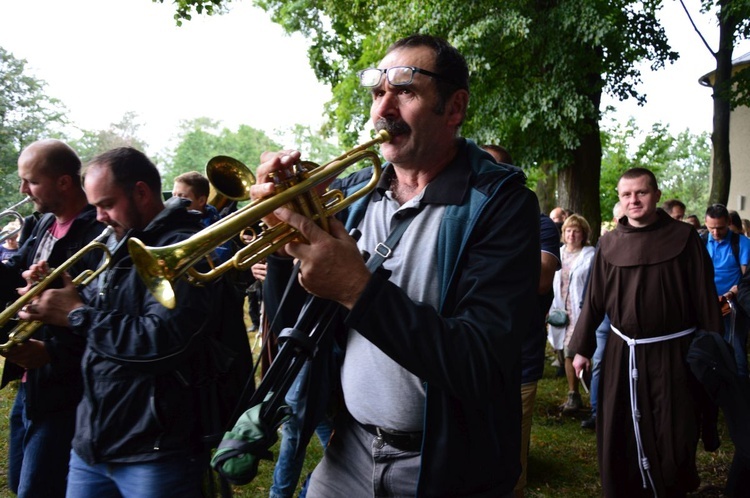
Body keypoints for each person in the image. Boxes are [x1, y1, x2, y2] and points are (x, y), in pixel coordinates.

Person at [254, 34, 540, 497]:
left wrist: (358, 289)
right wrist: (284, 237)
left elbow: (480, 363)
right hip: (349, 449)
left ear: (454, 108)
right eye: (377, 92)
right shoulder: (354, 195)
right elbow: (292, 322)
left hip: (447, 464)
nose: (381, 110)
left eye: (404, 91)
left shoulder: (501, 204)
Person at [19, 147, 252, 497]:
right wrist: (57, 294)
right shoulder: (117, 242)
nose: (97, 217)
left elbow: (162, 341)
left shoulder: (181, 250)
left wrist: (78, 315)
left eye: (106, 204)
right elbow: (102, 326)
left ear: (141, 192)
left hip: (156, 447)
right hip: (93, 441)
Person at [570, 167, 723, 497]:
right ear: (620, 200)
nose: (633, 200)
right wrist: (580, 348)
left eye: (640, 192)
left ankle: (670, 487)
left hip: (673, 353)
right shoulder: (609, 244)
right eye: (626, 194)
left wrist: (713, 348)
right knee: (619, 425)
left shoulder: (684, 240)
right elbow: (593, 301)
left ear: (655, 195)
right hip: (622, 353)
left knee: (674, 426)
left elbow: (704, 297)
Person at [0, 139, 105, 498]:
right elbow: (17, 280)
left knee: (38, 488)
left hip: (68, 385)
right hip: (33, 380)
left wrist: (52, 351)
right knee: (19, 482)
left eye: (31, 181)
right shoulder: (42, 223)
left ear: (63, 182)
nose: (22, 190)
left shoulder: (96, 230)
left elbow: (99, 312)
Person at [482, 144, 561, 497]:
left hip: (519, 361)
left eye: (492, 169)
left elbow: (543, 277)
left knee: (510, 464)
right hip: (463, 358)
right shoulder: (458, 215)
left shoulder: (539, 222)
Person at [548, 214, 595, 415]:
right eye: (568, 230)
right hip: (561, 310)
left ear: (583, 234)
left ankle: (594, 395)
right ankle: (573, 394)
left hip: (582, 311)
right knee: (567, 351)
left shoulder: (590, 254)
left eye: (576, 231)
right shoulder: (557, 253)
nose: (572, 234)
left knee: (583, 351)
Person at [704, 203, 750, 378]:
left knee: (736, 346)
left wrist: (731, 293)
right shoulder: (701, 241)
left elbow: (747, 279)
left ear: (729, 222)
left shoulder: (742, 244)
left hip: (733, 304)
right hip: (708, 303)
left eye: (721, 228)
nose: (715, 233)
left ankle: (742, 391)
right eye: (711, 228)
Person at [172, 170, 233, 262]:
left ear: (201, 201)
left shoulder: (220, 230)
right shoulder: (170, 221)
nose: (174, 202)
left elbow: (216, 261)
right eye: (174, 196)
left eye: (182, 197)